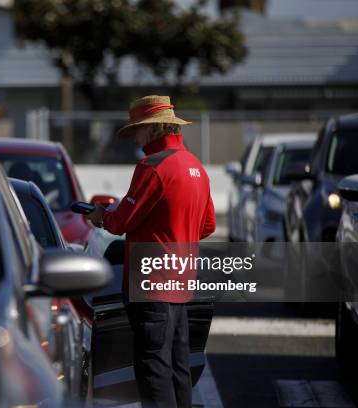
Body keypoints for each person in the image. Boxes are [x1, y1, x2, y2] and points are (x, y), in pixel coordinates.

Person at [86, 95, 216, 408]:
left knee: (153, 370)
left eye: (138, 131)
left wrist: (101, 215)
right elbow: (207, 225)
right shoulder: (194, 166)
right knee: (177, 368)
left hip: (151, 285)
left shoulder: (152, 167)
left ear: (153, 128)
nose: (137, 138)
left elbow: (120, 223)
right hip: (181, 284)